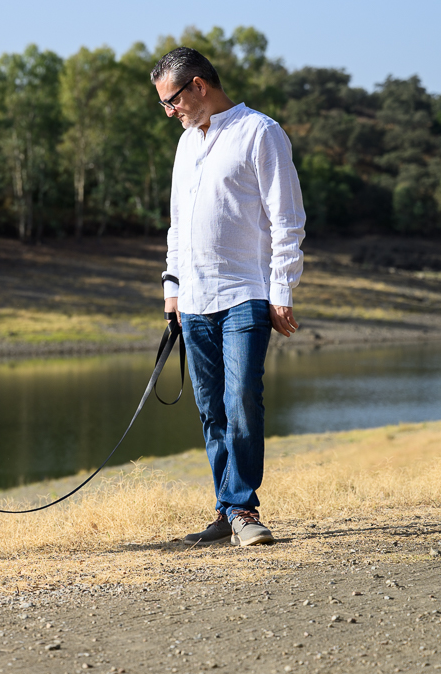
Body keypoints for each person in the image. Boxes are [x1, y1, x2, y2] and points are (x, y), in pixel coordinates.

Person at [153, 47, 305, 547]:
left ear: (198, 86)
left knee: (241, 397)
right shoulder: (184, 146)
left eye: (172, 101)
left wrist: (281, 291)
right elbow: (178, 225)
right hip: (193, 299)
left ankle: (242, 508)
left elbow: (287, 220)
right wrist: (172, 288)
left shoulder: (260, 132)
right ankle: (227, 509)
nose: (169, 112)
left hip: (245, 293)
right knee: (210, 407)